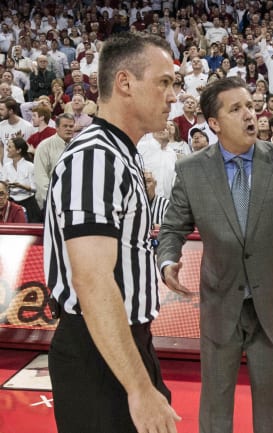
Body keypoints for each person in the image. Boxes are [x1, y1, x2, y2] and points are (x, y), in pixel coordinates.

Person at [157, 77, 273, 433]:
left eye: (250, 107)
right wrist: (167, 260)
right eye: (236, 109)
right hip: (220, 301)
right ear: (214, 123)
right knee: (215, 405)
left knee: (271, 407)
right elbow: (172, 228)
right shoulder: (191, 170)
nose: (249, 115)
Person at [43, 32, 181, 433]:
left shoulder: (119, 152)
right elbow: (93, 280)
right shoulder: (95, 157)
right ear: (125, 83)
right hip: (98, 351)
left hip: (122, 342)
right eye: (164, 82)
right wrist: (138, 388)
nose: (172, 95)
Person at [33, 113, 75, 209]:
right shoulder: (44, 146)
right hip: (50, 201)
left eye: (71, 126)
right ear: (57, 127)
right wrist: (53, 198)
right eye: (65, 126)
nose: (68, 129)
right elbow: (40, 177)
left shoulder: (77, 145)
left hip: (72, 200)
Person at [0, 137, 40, 222]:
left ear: (18, 150)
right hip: (11, 202)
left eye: (10, 147)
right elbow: (3, 185)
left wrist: (20, 186)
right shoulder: (6, 166)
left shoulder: (30, 166)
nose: (7, 149)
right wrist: (6, 184)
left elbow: (35, 188)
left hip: (28, 204)